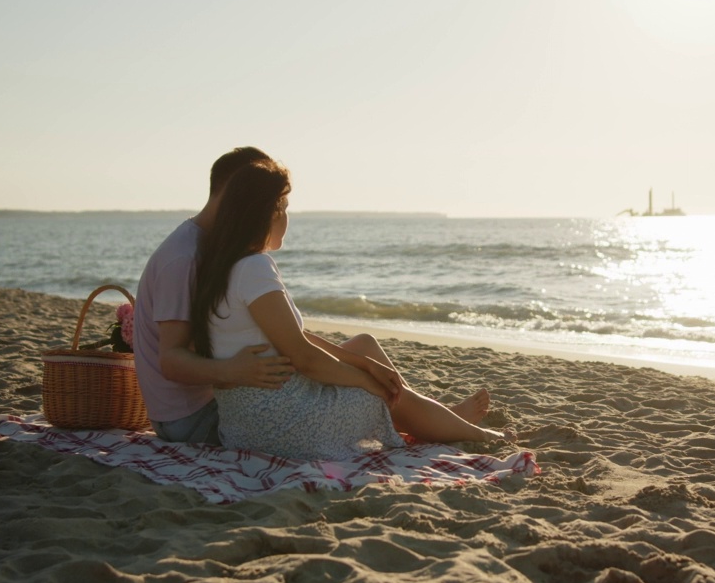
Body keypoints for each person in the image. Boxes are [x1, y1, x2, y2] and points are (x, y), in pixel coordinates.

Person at [188, 158, 509, 460]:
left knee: (365, 345)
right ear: (264, 214)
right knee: (384, 392)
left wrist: (364, 365)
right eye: (282, 208)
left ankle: (439, 417)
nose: (286, 217)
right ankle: (473, 433)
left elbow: (294, 338)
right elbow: (306, 359)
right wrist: (370, 382)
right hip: (279, 425)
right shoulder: (254, 267)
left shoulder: (220, 266)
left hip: (244, 424)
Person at [133, 147, 296, 445]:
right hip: (189, 418)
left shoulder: (217, 246)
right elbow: (170, 359)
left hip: (213, 398)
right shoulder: (184, 257)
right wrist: (233, 370)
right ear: (234, 187)